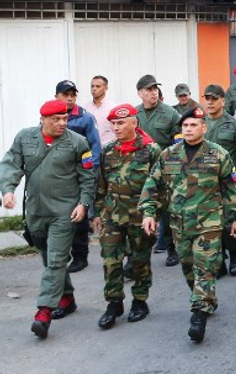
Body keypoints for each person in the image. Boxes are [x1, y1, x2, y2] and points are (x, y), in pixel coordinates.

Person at [140, 107, 236, 343]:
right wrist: (148, 213)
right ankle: (206, 298)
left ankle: (198, 316)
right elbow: (152, 185)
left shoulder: (218, 154)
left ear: (204, 128)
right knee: (188, 266)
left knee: (204, 266)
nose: (188, 129)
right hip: (179, 224)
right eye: (185, 126)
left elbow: (231, 188)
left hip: (209, 222)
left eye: (193, 125)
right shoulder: (168, 155)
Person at [0, 100, 95, 339]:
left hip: (65, 211)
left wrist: (83, 204)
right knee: (48, 256)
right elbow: (11, 164)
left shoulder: (78, 142)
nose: (63, 123)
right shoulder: (25, 138)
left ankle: (44, 312)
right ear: (43, 119)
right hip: (36, 210)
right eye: (57, 119)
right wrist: (8, 190)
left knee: (55, 260)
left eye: (64, 118)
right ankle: (67, 297)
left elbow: (88, 176)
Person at [93, 103, 161, 329]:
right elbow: (101, 185)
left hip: (140, 216)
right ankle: (114, 303)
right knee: (111, 261)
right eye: (113, 123)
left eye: (121, 123)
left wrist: (154, 215)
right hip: (112, 216)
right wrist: (98, 213)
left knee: (140, 260)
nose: (116, 127)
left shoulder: (151, 151)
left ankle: (140, 301)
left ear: (134, 122)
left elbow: (160, 186)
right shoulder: (108, 151)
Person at [201, 84, 236, 277]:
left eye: (215, 98)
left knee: (227, 223)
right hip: (205, 185)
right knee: (209, 224)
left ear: (223, 101)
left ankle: (235, 252)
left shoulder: (235, 125)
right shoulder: (199, 123)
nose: (210, 102)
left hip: (228, 183)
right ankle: (218, 260)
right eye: (207, 98)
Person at [54, 80, 101, 274]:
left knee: (79, 216)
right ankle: (61, 253)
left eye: (73, 94)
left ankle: (80, 256)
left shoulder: (85, 118)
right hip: (57, 174)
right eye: (66, 94)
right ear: (57, 96)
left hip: (78, 174)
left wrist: (90, 172)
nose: (70, 97)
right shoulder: (51, 116)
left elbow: (95, 146)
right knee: (58, 214)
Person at [135, 74, 182, 267]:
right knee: (141, 209)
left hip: (164, 167)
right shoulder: (134, 113)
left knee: (166, 211)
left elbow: (179, 141)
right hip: (140, 167)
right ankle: (139, 253)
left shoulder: (170, 113)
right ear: (140, 93)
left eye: (155, 89)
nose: (153, 93)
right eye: (149, 89)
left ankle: (172, 248)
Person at [83, 75, 117, 146]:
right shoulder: (85, 108)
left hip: (108, 149)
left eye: (98, 86)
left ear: (106, 88)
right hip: (89, 149)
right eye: (92, 86)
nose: (94, 89)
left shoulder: (113, 108)